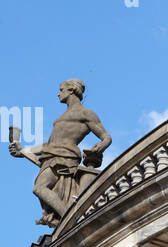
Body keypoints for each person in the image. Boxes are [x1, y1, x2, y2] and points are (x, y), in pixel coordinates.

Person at [8, 79, 111, 227]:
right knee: (41, 189)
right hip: (52, 154)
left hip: (65, 155)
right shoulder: (62, 117)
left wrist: (101, 145)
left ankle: (71, 218)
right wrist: (23, 150)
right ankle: (69, 217)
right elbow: (48, 145)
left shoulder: (85, 113)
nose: (58, 94)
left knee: (39, 188)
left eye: (61, 90)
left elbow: (106, 136)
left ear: (71, 90)